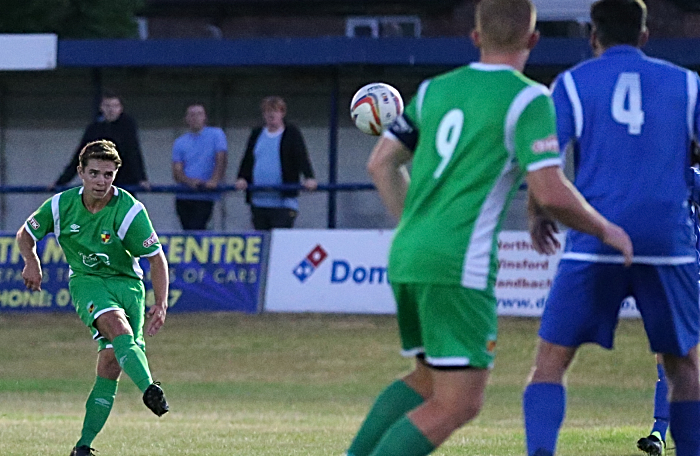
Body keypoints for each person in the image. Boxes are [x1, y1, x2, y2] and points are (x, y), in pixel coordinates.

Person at [344, 1, 632, 455]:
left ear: (475, 38)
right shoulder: (529, 98)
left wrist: (417, 227)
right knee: (459, 404)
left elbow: (381, 163)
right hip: (460, 262)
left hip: (408, 252)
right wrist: (605, 230)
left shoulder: (433, 90)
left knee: (425, 380)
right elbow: (551, 192)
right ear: (533, 40)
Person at [522, 1, 700, 456]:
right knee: (686, 369)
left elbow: (545, 163)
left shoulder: (572, 84)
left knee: (550, 363)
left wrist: (538, 211)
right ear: (644, 36)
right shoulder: (688, 84)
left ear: (593, 36)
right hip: (668, 241)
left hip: (595, 239)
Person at [18, 140, 170, 456]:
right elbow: (26, 234)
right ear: (81, 173)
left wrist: (161, 302)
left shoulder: (129, 211)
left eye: (108, 175)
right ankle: (150, 389)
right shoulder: (61, 206)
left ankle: (83, 447)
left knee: (112, 362)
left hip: (128, 286)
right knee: (117, 328)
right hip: (88, 283)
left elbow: (156, 258)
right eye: (95, 173)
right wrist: (31, 260)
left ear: (116, 175)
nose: (101, 181)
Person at [637, 166, 700, 456]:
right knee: (669, 356)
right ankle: (659, 434)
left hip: (691, 277)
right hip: (673, 277)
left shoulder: (685, 174)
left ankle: (664, 432)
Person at [235, 96, 317, 230]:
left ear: (282, 113)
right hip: (259, 201)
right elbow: (248, 159)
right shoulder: (256, 133)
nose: (271, 114)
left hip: (283, 202)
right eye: (267, 111)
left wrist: (309, 177)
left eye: (275, 111)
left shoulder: (291, 133)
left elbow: (302, 157)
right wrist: (242, 178)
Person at [52, 90, 150, 192]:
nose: (111, 110)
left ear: (121, 108)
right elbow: (80, 156)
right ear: (101, 107)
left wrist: (141, 179)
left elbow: (133, 152)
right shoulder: (94, 129)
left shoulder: (128, 126)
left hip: (124, 181)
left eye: (115, 106)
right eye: (107, 106)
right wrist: (61, 182)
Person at [172, 103, 228, 230]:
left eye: (199, 114)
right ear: (186, 119)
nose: (195, 118)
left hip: (205, 194)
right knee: (187, 231)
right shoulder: (180, 142)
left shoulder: (216, 135)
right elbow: (176, 170)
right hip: (184, 195)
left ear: (205, 117)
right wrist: (189, 181)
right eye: (191, 115)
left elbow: (221, 158)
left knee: (198, 228)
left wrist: (214, 180)